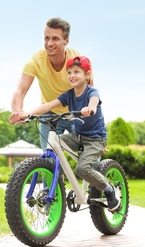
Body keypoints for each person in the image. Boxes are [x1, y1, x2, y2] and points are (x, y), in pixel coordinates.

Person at [11, 55, 120, 212]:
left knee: (82, 169)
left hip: (95, 139)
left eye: (76, 71)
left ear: (87, 75)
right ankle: (57, 178)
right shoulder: (69, 95)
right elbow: (49, 105)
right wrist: (27, 113)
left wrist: (89, 109)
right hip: (79, 137)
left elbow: (94, 102)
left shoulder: (92, 92)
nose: (72, 75)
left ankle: (108, 189)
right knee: (53, 146)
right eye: (69, 72)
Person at [9, 17, 93, 152]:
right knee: (48, 159)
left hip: (76, 111)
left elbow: (90, 91)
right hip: (50, 113)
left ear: (66, 41)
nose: (49, 43)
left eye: (55, 39)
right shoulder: (36, 61)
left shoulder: (77, 61)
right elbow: (20, 91)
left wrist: (93, 125)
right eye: (46, 38)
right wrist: (18, 113)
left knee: (89, 161)